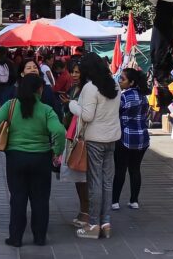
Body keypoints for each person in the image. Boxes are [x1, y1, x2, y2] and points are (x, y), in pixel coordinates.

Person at [0, 74, 66, 247]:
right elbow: (59, 131)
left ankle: (15, 238)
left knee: (18, 198)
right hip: (41, 158)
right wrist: (57, 151)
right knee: (40, 199)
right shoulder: (46, 110)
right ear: (40, 89)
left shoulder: (10, 106)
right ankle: (40, 237)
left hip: (15, 158)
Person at [65, 53, 121, 239]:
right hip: (112, 139)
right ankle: (106, 223)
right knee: (107, 182)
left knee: (95, 183)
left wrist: (72, 104)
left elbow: (87, 116)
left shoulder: (90, 88)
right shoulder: (115, 84)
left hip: (95, 139)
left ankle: (94, 225)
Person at [111, 68, 150, 211]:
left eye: (122, 79)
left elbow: (116, 114)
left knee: (120, 169)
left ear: (131, 82)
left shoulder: (123, 97)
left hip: (125, 137)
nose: (119, 81)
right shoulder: (143, 96)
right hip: (142, 138)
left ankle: (115, 201)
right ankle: (134, 200)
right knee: (135, 169)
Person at [59, 60, 89, 228]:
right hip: (72, 135)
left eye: (78, 72)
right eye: (72, 72)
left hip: (83, 138)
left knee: (83, 177)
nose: (75, 75)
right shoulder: (73, 89)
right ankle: (83, 210)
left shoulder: (88, 90)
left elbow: (84, 113)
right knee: (78, 177)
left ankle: (86, 212)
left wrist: (69, 104)